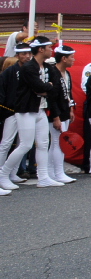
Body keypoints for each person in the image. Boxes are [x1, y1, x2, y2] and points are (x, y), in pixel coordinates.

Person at [0, 37, 60, 188]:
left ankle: (43, 177)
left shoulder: (47, 67)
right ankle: (3, 174)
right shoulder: (28, 68)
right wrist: (46, 88)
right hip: (25, 110)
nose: (51, 50)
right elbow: (38, 86)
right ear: (41, 49)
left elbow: (56, 88)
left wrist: (46, 89)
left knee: (43, 143)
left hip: (40, 108)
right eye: (49, 47)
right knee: (25, 145)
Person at [0, 43, 32, 184]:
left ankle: (13, 173)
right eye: (24, 54)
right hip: (11, 111)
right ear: (17, 55)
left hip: (26, 111)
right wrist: (5, 109)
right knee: (6, 143)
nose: (27, 56)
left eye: (29, 53)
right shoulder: (10, 72)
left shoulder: (32, 70)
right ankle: (1, 173)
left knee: (22, 144)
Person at [45, 45, 77, 184]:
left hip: (65, 110)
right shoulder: (53, 72)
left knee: (56, 143)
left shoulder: (67, 73)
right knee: (58, 143)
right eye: (71, 57)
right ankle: (58, 173)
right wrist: (56, 117)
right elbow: (51, 98)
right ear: (64, 58)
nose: (73, 60)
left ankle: (52, 172)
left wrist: (71, 109)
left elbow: (68, 93)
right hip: (55, 113)